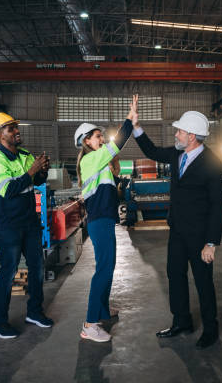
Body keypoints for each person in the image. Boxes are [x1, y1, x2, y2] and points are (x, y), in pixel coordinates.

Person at [133, 110, 222, 349]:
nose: (176, 134)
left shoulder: (213, 164)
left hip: (200, 235)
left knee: (203, 281)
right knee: (175, 276)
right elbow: (152, 151)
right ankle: (181, 320)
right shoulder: (177, 154)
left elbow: (218, 206)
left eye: (180, 131)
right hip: (177, 230)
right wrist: (136, 126)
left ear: (192, 136)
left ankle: (210, 328)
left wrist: (211, 242)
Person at [0, 112, 53, 339]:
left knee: (37, 267)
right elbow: (10, 190)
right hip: (7, 226)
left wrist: (41, 171)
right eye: (11, 128)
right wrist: (32, 170)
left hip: (29, 222)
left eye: (15, 127)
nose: (16, 131)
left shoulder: (23, 154)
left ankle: (34, 312)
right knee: (9, 271)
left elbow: (36, 182)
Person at [75, 94, 138, 342]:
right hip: (99, 220)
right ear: (87, 142)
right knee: (103, 269)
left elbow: (115, 178)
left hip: (104, 219)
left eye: (101, 135)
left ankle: (101, 310)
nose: (102, 138)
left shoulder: (98, 163)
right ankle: (90, 324)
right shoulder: (90, 159)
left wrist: (114, 164)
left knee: (107, 266)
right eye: (97, 136)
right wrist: (129, 121)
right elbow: (117, 143)